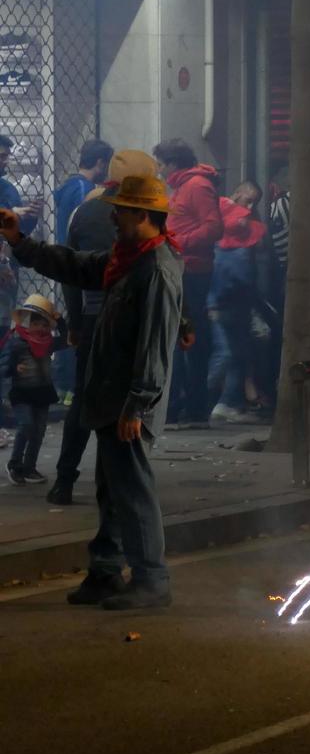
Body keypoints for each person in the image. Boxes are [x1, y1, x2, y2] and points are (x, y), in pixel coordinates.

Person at [0, 173, 183, 609]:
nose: (113, 215)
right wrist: (19, 241)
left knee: (133, 491)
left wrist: (137, 405)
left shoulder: (154, 269)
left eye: (120, 209)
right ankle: (105, 571)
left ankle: (150, 580)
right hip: (114, 398)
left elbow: (154, 347)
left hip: (130, 403)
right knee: (113, 488)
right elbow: (76, 265)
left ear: (143, 214)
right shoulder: (128, 259)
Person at [48, 149, 161, 505]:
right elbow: (164, 265)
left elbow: (71, 270)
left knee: (84, 397)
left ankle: (63, 481)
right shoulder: (148, 212)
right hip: (135, 319)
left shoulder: (84, 210)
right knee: (130, 400)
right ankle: (120, 483)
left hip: (95, 317)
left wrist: (76, 322)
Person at [154, 139, 221, 428]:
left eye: (160, 163)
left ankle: (192, 407)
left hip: (191, 271)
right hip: (182, 269)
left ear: (172, 162)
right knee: (182, 339)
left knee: (188, 340)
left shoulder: (196, 186)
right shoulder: (185, 186)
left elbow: (213, 226)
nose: (157, 170)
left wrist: (178, 243)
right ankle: (185, 407)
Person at [209, 181, 268, 424]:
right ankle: (213, 399)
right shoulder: (240, 250)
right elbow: (243, 279)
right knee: (231, 354)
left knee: (232, 354)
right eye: (249, 199)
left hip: (218, 303)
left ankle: (222, 401)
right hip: (231, 304)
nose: (251, 205)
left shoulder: (218, 236)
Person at [3, 294, 60, 485]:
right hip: (22, 394)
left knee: (38, 431)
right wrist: (14, 369)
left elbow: (68, 340)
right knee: (26, 426)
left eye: (45, 325)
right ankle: (15, 465)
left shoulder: (49, 344)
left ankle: (29, 467)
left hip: (42, 394)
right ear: (29, 324)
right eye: (37, 324)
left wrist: (61, 321)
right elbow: (3, 366)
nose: (41, 329)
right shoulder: (16, 342)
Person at [0, 135, 39, 316]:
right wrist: (13, 213)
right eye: (1, 156)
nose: (5, 162)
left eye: (6, 156)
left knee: (3, 326)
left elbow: (20, 232)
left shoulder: (8, 189)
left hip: (7, 270)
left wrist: (30, 216)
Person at [54, 139, 114, 244]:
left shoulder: (70, 184)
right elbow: (86, 226)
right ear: (100, 163)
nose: (107, 172)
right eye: (107, 165)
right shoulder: (84, 189)